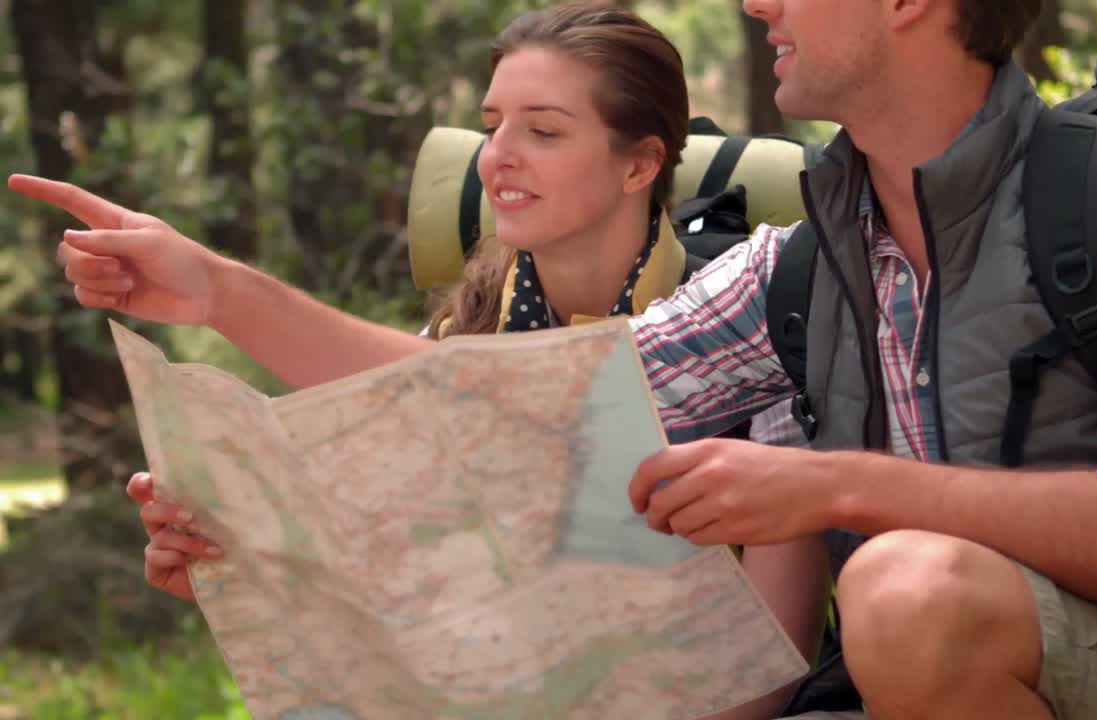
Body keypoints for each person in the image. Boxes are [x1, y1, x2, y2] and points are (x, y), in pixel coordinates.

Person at [13, 1, 1097, 719]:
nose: (757, 5)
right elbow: (497, 415)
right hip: (894, 688)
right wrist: (217, 297)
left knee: (904, 591)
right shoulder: (798, 260)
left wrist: (840, 490)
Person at [8, 4, 825, 720]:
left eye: (541, 130)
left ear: (640, 164)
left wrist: (220, 290)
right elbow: (402, 629)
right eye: (492, 123)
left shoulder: (746, 341)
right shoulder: (462, 340)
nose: (497, 155)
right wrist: (240, 575)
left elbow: (765, 675)